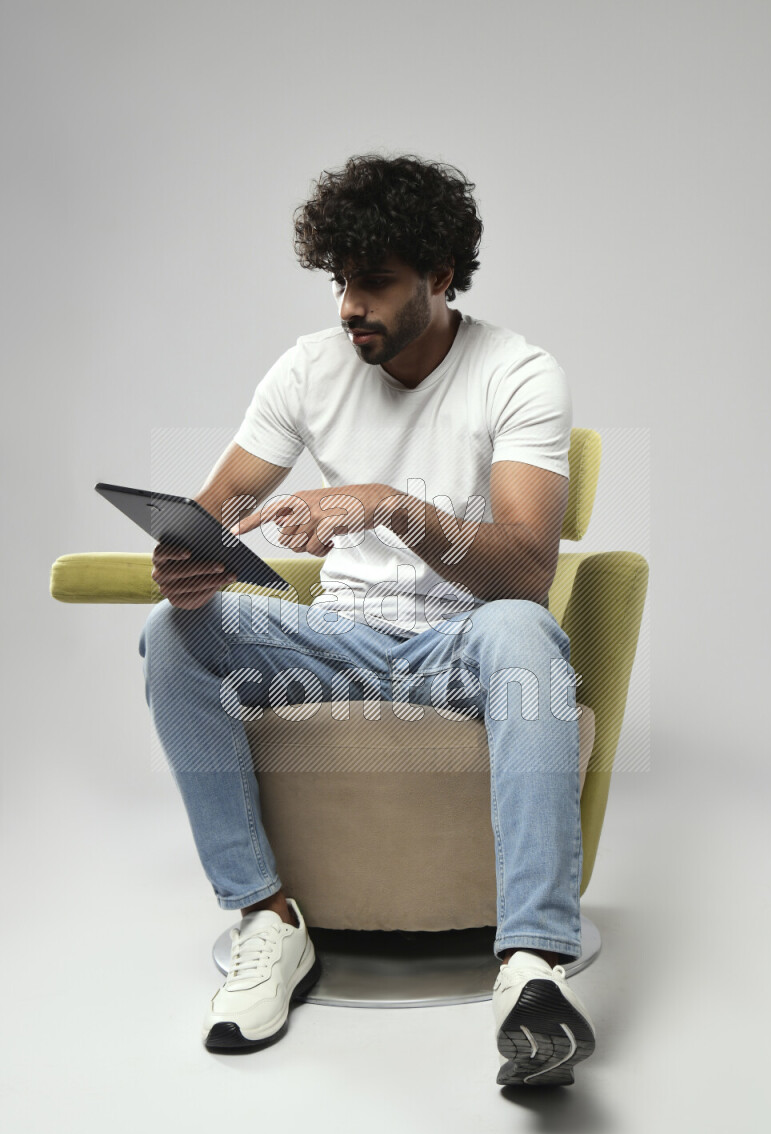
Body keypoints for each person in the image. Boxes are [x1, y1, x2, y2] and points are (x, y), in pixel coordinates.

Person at [138, 153, 596, 1086]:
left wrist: (390, 507)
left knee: (526, 638)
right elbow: (212, 510)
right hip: (336, 639)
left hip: (460, 643)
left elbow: (526, 569)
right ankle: (268, 919)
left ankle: (532, 969)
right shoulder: (310, 367)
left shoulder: (517, 372)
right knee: (173, 634)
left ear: (439, 275)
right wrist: (187, 556)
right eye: (342, 281)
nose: (351, 304)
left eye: (375, 282)